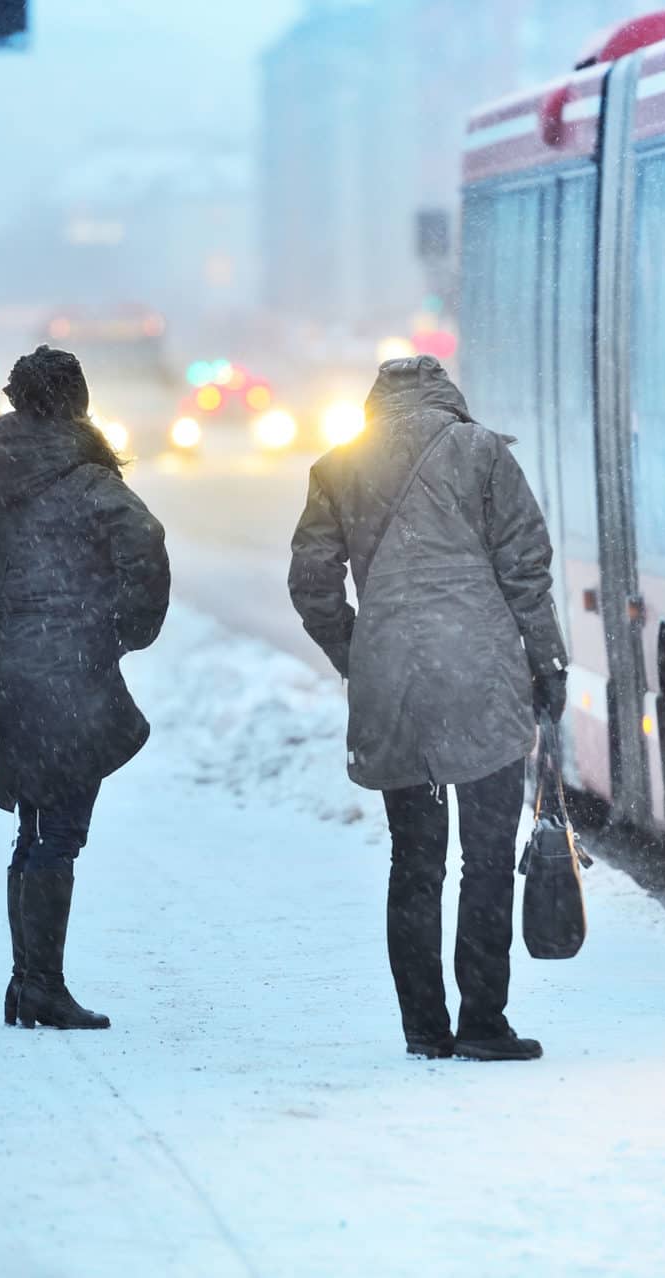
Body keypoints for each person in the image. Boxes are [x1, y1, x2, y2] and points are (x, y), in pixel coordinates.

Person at [288, 355, 568, 1062]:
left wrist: (360, 653)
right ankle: (483, 1021)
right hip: (481, 677)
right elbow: (524, 567)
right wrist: (546, 660)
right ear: (448, 397)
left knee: (415, 861)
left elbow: (311, 582)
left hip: (394, 688)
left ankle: (423, 1027)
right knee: (486, 856)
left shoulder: (337, 468)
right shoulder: (479, 452)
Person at [0, 346, 170, 1030]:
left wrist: (19, 604)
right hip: (69, 667)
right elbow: (146, 546)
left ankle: (28, 983)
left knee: (36, 826)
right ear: (76, 401)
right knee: (58, 833)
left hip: (12, 663)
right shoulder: (89, 479)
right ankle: (40, 986)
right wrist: (122, 630)